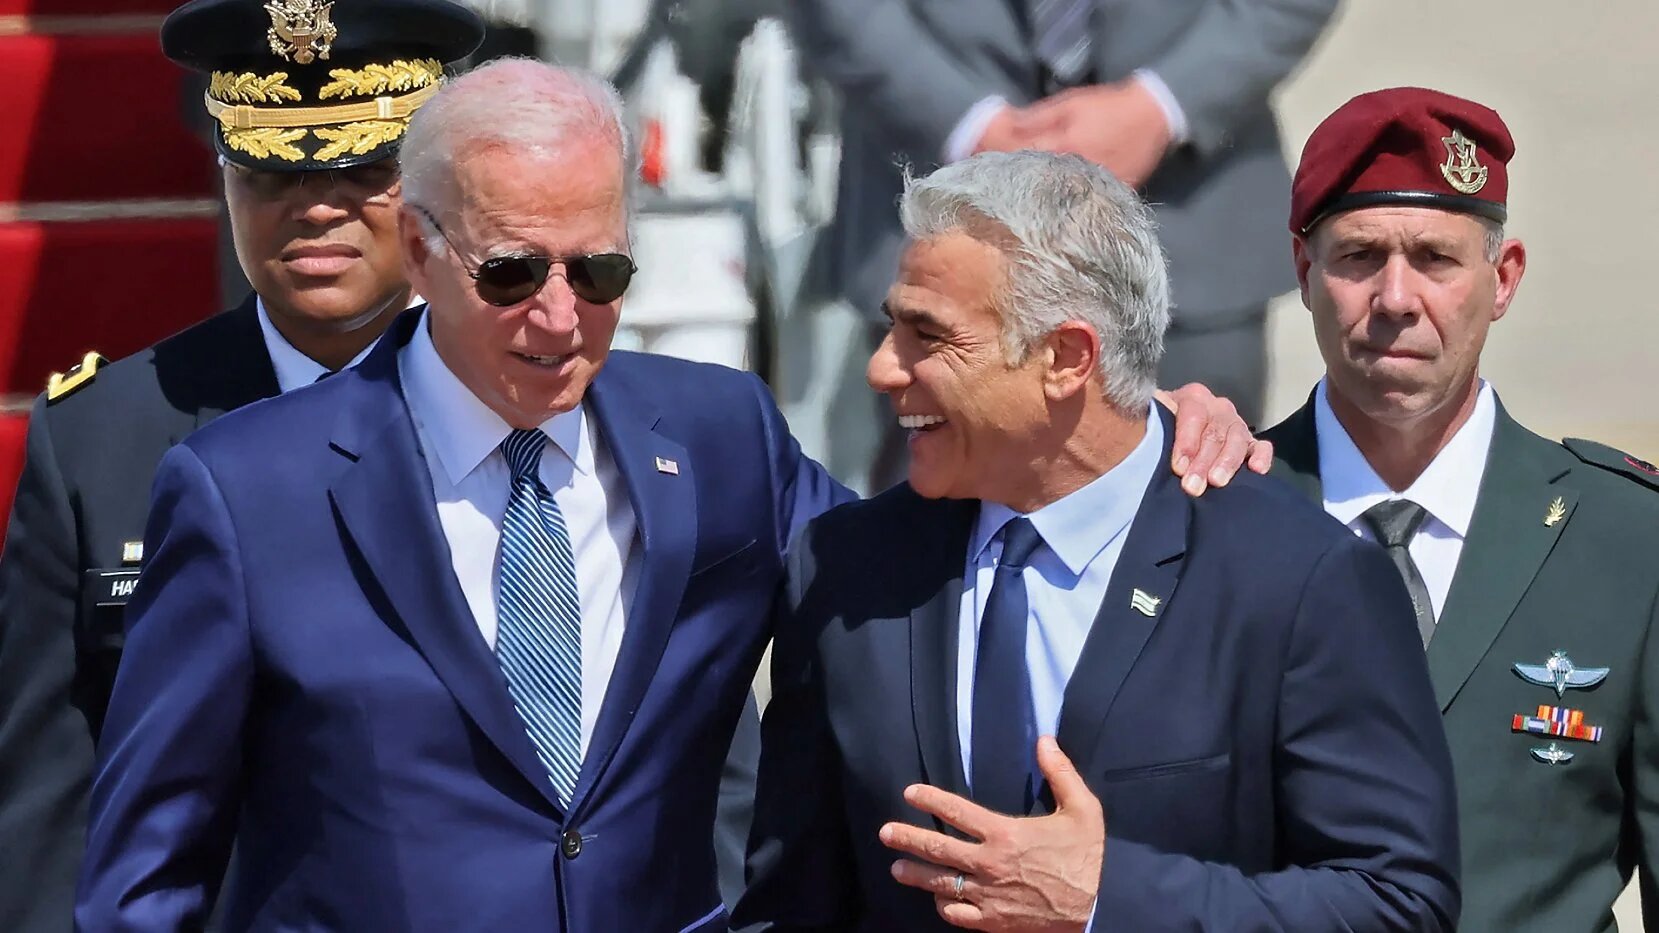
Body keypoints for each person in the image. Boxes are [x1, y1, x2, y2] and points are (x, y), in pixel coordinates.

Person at [69, 57, 1265, 930]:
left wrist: (1133, 433)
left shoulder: (713, 432)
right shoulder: (245, 492)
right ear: (421, 250)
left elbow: (914, 567)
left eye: (599, 271)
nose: (558, 315)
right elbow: (145, 875)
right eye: (509, 271)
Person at [735, 150, 1461, 932]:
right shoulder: (846, 568)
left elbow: (1397, 904)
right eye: (892, 327)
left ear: (1065, 358)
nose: (884, 368)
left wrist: (1105, 900)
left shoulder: (1296, 580)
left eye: (928, 336)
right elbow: (791, 904)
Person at [0, 1, 484, 929]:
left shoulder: (526, 400)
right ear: (225, 176)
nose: (314, 208)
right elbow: (47, 805)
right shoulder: (105, 435)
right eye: (269, 172)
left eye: (363, 169)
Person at [1260, 86, 1659, 932]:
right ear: (1303, 273)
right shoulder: (1213, 514)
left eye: (1435, 259)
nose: (1396, 298)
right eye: (1359, 257)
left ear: (1502, 278)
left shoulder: (1627, 541)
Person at [780, 0, 1338, 491]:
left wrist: (1159, 107)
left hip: (1189, 215)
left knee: (1201, 494)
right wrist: (969, 127)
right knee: (932, 536)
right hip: (937, 207)